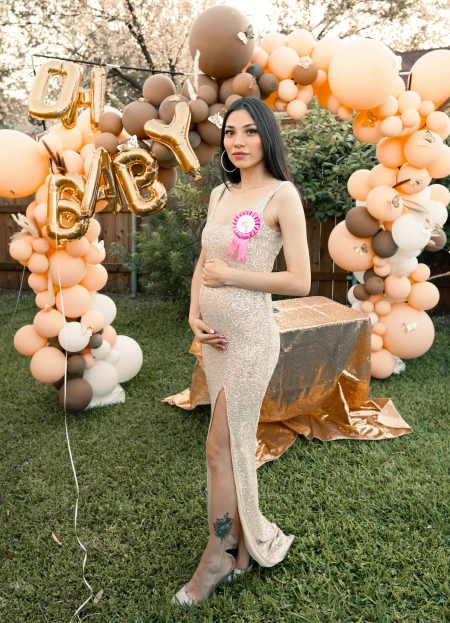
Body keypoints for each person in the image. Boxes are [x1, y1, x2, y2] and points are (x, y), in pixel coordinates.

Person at [171, 96, 311, 607]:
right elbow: (204, 259)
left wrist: (232, 277)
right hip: (215, 340)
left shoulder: (282, 196)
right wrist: (193, 313)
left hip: (252, 340)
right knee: (227, 449)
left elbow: (299, 278)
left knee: (219, 447)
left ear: (266, 137)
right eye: (231, 132)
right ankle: (242, 545)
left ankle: (218, 553)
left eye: (250, 131)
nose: (238, 141)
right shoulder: (219, 194)